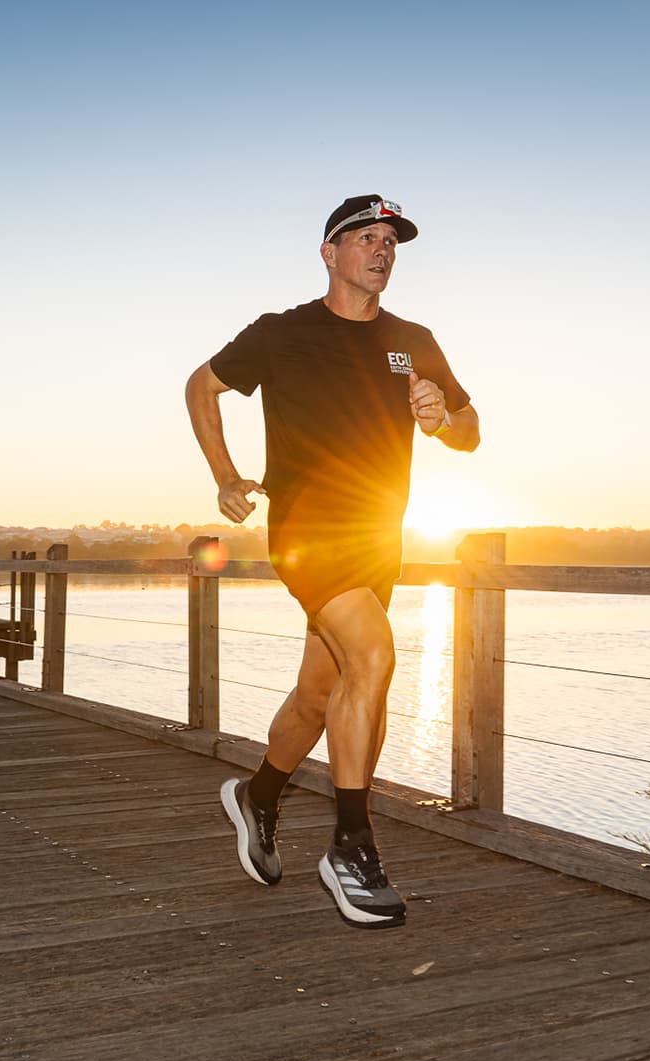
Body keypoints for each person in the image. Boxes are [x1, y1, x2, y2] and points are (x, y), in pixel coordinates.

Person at [184, 194, 480, 928]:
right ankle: (352, 846)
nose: (382, 250)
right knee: (375, 659)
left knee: (324, 694)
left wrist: (443, 417)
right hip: (310, 532)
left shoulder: (415, 339)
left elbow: (470, 432)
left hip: (381, 539)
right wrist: (225, 474)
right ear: (330, 252)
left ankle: (258, 796)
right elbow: (202, 385)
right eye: (367, 238)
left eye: (391, 241)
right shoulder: (282, 333)